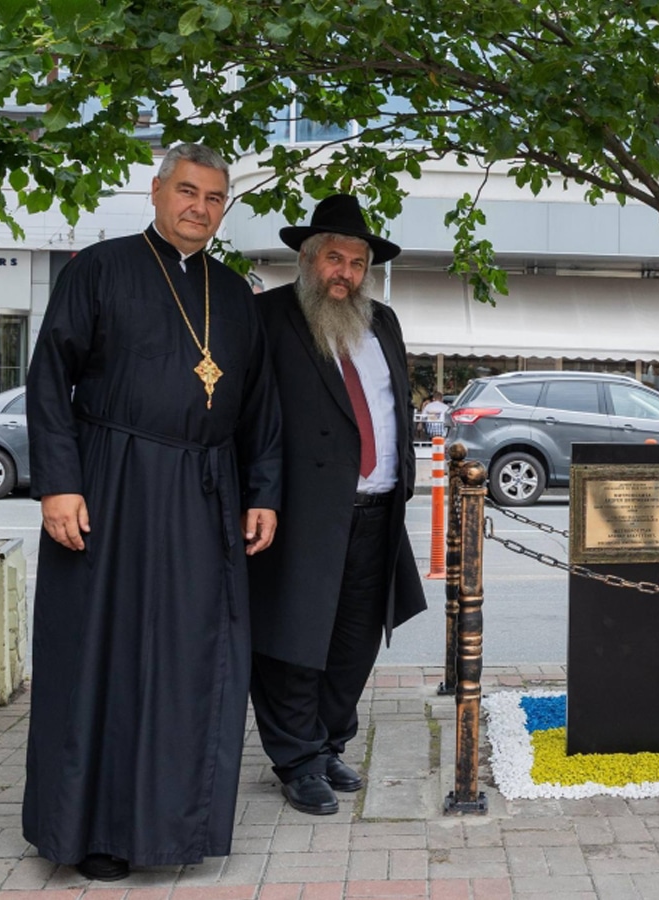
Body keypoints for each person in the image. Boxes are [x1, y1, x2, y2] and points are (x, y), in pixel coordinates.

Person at [23, 143, 282, 880]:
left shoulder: (234, 294)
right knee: (102, 657)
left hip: (206, 494)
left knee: (190, 661)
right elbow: (50, 382)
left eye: (215, 198)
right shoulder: (99, 270)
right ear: (157, 191)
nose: (200, 208)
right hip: (111, 485)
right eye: (188, 192)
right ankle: (92, 833)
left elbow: (260, 407)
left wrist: (263, 492)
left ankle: (172, 829)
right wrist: (58, 484)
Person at [247, 194, 428, 815]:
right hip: (300, 515)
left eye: (357, 261)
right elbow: (253, 419)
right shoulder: (268, 317)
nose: (345, 272)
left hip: (378, 511)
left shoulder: (384, 322)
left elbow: (393, 406)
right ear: (307, 259)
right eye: (334, 257)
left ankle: (327, 743)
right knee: (296, 641)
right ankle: (295, 760)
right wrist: (259, 496)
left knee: (354, 642)